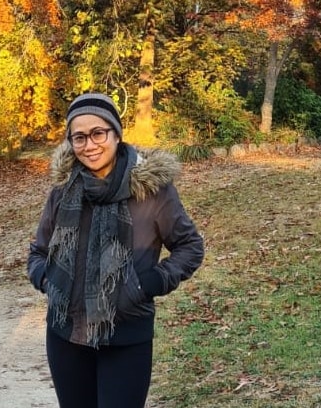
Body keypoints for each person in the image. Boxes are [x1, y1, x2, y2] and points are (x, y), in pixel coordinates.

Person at [27, 92, 204, 408]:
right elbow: (39, 251)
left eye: (98, 133)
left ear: (116, 133)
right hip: (65, 334)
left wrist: (148, 284)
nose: (89, 145)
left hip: (126, 334)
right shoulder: (64, 189)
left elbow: (190, 247)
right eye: (78, 137)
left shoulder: (152, 191)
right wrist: (47, 279)